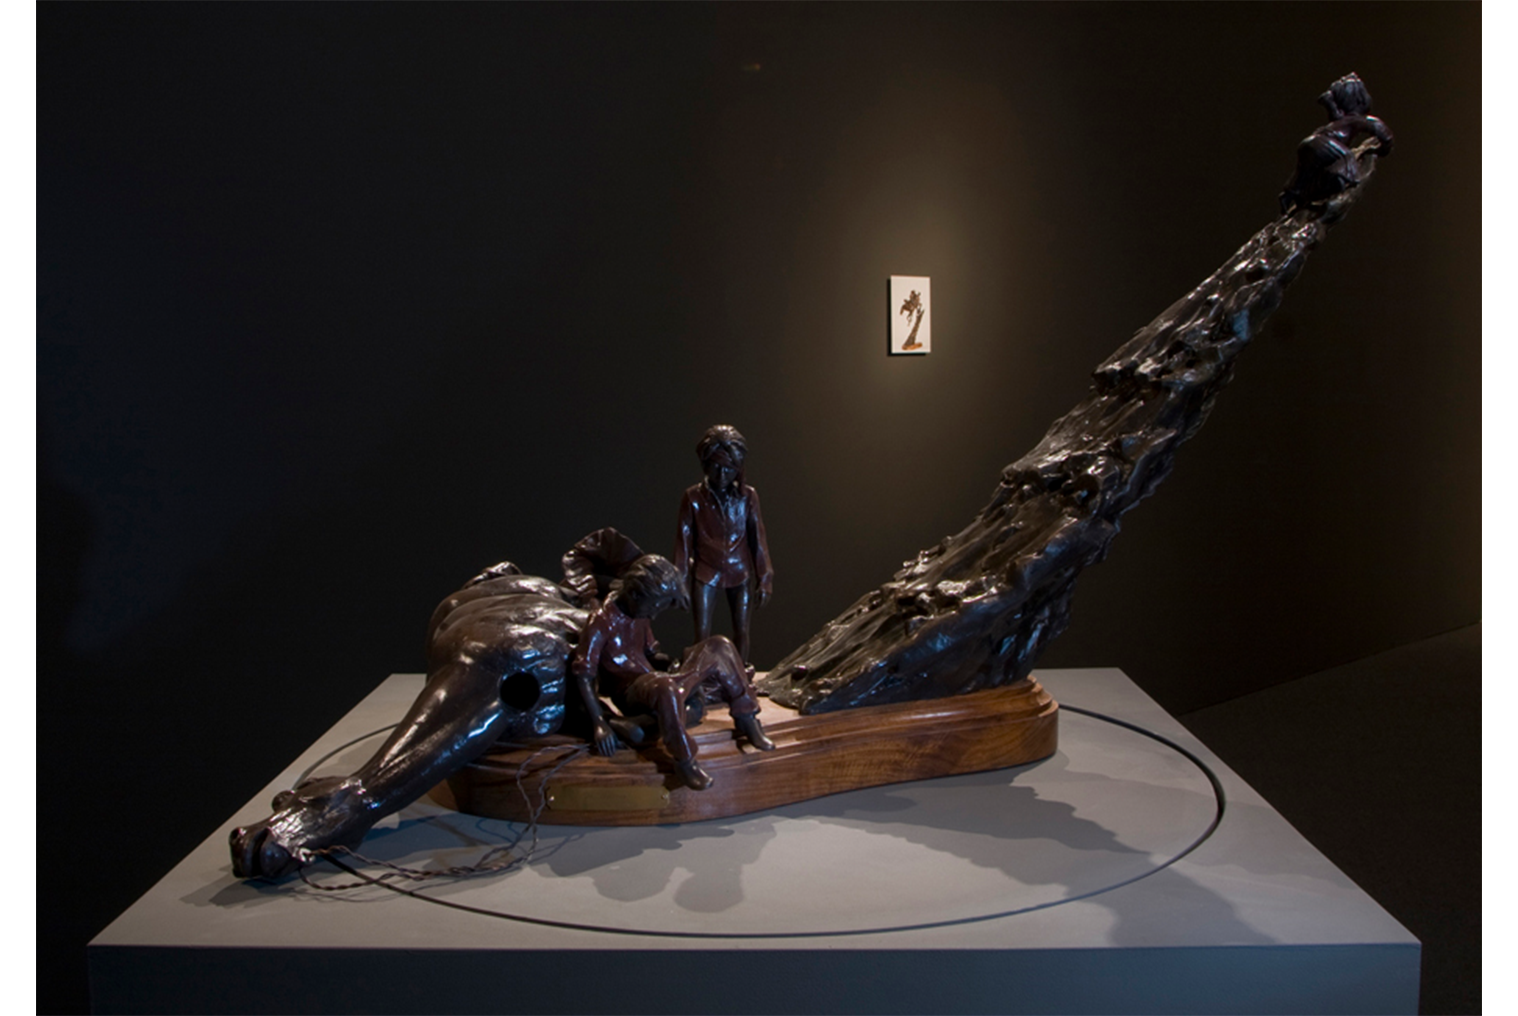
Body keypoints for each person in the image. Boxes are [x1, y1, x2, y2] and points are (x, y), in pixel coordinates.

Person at [571, 554, 775, 790]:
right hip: (632, 691)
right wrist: (599, 723)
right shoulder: (601, 621)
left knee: (720, 645)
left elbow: (651, 656)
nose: (654, 615)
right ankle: (684, 759)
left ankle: (746, 717)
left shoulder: (639, 611)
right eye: (654, 606)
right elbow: (583, 675)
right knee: (669, 689)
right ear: (634, 594)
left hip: (656, 681)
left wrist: (675, 666)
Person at [674, 425, 773, 663]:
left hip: (740, 571)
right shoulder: (693, 498)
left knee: (742, 632)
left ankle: (739, 676)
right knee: (702, 633)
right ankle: (698, 674)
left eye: (729, 468)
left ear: (738, 468)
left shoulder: (748, 497)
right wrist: (679, 583)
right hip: (705, 572)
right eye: (715, 466)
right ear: (705, 465)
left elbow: (758, 540)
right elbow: (683, 544)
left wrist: (765, 577)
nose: (721, 474)